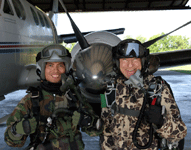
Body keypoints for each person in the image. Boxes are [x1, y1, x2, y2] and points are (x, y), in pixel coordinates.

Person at [4, 44, 102, 150]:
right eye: (50, 65)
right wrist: (19, 130)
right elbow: (11, 141)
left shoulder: (75, 96)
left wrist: (87, 121)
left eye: (60, 65)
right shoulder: (31, 100)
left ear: (66, 68)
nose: (55, 71)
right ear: (42, 68)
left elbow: (96, 130)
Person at [100, 39, 187, 150]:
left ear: (143, 62)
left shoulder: (158, 89)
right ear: (117, 62)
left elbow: (179, 133)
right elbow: (106, 130)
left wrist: (161, 122)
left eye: (135, 59)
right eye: (124, 60)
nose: (130, 65)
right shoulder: (110, 89)